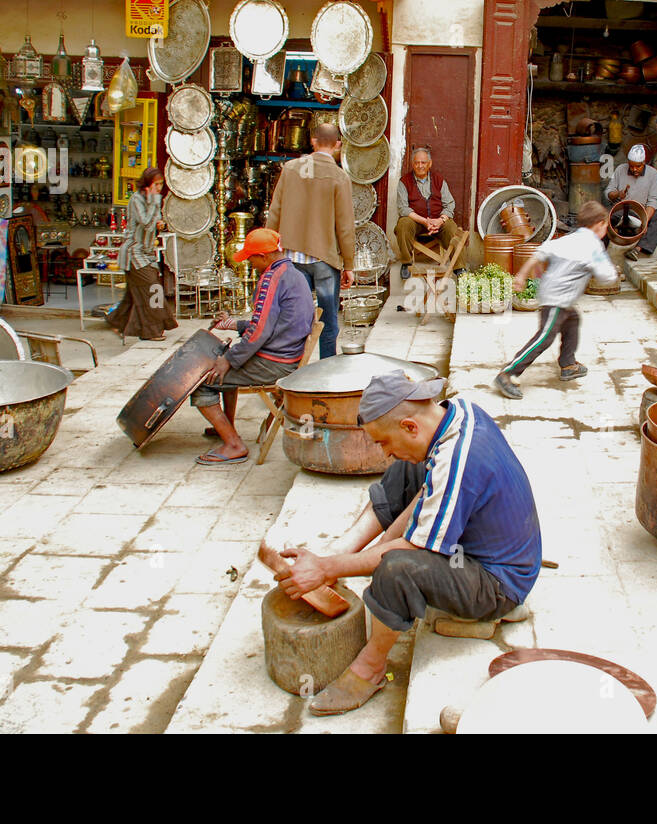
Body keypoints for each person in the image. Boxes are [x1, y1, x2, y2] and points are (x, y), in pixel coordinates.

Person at [271, 371, 541, 716]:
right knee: (406, 468)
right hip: (492, 549)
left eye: (382, 442)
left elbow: (414, 547)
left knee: (396, 567)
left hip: (499, 583)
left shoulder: (458, 462)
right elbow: (430, 486)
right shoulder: (456, 413)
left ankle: (370, 669)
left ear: (411, 426)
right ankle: (344, 549)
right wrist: (359, 553)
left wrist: (331, 569)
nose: (383, 453)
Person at [191, 228, 314, 465]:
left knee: (201, 381)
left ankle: (233, 444)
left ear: (264, 257)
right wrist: (233, 325)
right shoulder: (293, 274)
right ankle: (225, 426)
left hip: (276, 363)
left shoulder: (271, 278)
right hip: (287, 355)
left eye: (251, 257)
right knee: (226, 362)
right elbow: (270, 321)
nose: (249, 262)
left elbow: (259, 332)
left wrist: (229, 359)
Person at [493, 200, 616, 399]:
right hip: (557, 299)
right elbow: (607, 276)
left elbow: (539, 253)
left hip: (556, 296)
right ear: (600, 224)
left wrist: (522, 275)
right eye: (605, 227)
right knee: (544, 337)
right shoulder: (594, 246)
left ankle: (568, 364)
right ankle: (508, 373)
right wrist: (605, 270)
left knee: (573, 320)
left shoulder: (569, 239)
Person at [266, 123, 356, 359]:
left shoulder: (291, 169)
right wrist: (349, 264)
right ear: (338, 145)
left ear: (313, 141)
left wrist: (268, 252)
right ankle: (325, 371)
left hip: (290, 257)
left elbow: (274, 212)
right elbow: (345, 226)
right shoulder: (339, 176)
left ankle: (291, 369)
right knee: (328, 320)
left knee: (293, 319)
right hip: (324, 259)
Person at [107, 166, 178, 342]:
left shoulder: (150, 200)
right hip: (134, 253)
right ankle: (151, 331)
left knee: (134, 295)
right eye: (156, 184)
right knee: (152, 289)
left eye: (161, 185)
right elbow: (147, 223)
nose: (159, 188)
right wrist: (155, 203)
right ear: (147, 184)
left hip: (146, 253)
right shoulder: (137, 200)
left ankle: (117, 321)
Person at [394, 146, 461, 280]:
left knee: (452, 228)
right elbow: (403, 208)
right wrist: (425, 221)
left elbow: (449, 204)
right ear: (412, 164)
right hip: (416, 222)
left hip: (438, 221)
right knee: (403, 224)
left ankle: (459, 267)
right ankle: (407, 263)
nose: (420, 166)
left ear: (429, 164)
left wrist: (440, 220)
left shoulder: (439, 180)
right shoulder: (404, 182)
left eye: (423, 162)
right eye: (416, 163)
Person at [605, 144, 657, 260]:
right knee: (606, 218)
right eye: (631, 166)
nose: (634, 169)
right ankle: (602, 253)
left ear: (644, 162)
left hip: (642, 211)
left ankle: (637, 249)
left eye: (638, 166)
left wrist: (645, 222)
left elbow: (653, 201)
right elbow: (608, 192)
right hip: (624, 209)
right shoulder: (620, 169)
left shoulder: (653, 174)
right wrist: (618, 194)